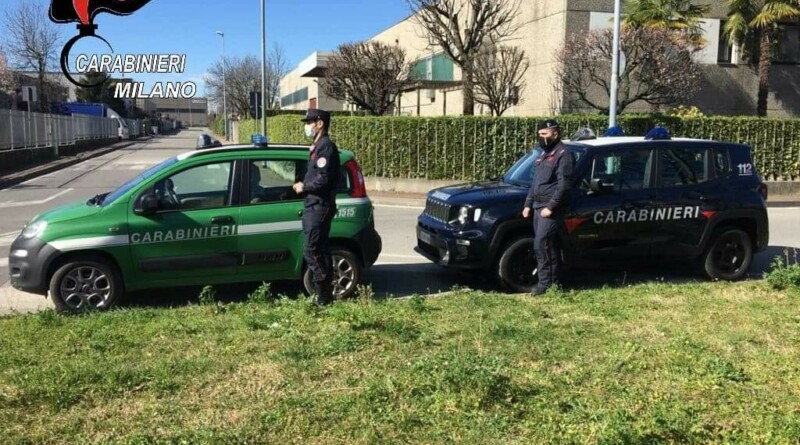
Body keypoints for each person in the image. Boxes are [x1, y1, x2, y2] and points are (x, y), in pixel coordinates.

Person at [293, 109, 340, 305]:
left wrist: (304, 187)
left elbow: (323, 179)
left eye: (310, 122)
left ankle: (324, 296)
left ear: (320, 123)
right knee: (320, 250)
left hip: (320, 205)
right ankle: (325, 295)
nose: (308, 126)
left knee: (311, 251)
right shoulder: (317, 146)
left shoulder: (326, 147)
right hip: (313, 204)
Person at [522, 119, 574, 296]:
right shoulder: (542, 155)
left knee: (541, 244)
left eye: (544, 134)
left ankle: (546, 285)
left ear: (555, 134)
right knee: (547, 245)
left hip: (550, 208)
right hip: (537, 206)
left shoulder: (563, 154)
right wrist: (528, 204)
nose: (541, 137)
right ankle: (551, 281)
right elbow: (535, 183)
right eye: (539, 134)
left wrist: (551, 207)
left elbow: (564, 185)